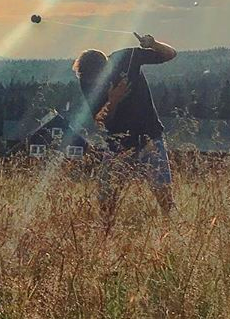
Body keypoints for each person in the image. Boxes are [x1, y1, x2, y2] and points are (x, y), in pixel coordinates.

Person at [72, 33, 176, 225]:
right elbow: (100, 120)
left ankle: (170, 228)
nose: (94, 83)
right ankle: (106, 230)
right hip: (117, 143)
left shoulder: (127, 58)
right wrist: (113, 100)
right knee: (105, 193)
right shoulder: (86, 81)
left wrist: (153, 44)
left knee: (162, 190)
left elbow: (170, 54)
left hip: (149, 136)